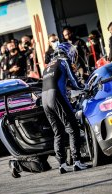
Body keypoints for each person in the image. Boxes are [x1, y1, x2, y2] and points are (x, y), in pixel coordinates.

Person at [42, 42, 90, 174]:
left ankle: (62, 164)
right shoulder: (64, 61)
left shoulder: (47, 66)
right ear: (67, 52)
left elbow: (56, 81)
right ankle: (77, 162)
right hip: (55, 96)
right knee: (72, 128)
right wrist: (85, 88)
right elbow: (74, 83)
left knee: (57, 132)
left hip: (44, 100)